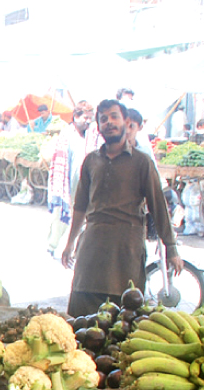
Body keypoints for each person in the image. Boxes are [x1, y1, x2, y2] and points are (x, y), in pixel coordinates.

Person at [61, 100, 183, 317]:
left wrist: (171, 248)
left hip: (126, 250)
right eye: (103, 119)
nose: (109, 122)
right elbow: (80, 207)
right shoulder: (91, 161)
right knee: (81, 317)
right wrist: (70, 244)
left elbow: (158, 207)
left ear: (126, 122)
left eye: (114, 117)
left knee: (124, 317)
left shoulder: (142, 162)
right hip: (92, 247)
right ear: (98, 126)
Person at [46, 102, 99, 258]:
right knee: (60, 216)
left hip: (85, 183)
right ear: (76, 117)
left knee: (84, 218)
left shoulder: (91, 135)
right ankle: (52, 245)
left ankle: (77, 250)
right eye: (85, 118)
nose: (88, 121)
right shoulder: (67, 134)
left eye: (90, 118)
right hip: (66, 183)